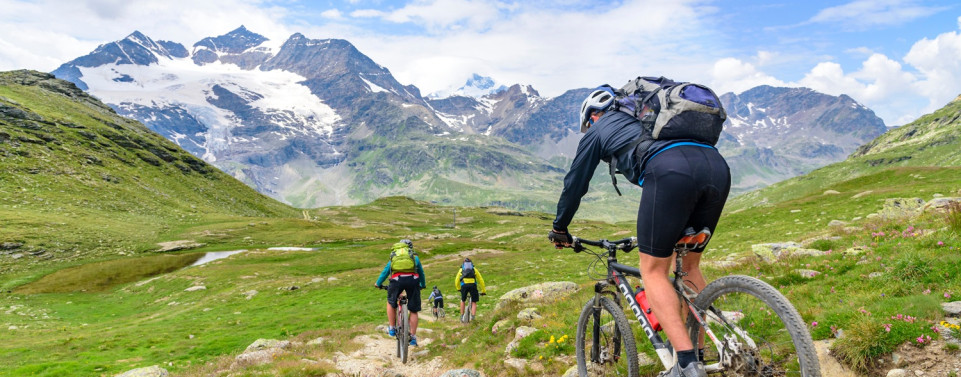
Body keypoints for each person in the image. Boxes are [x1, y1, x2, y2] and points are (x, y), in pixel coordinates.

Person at [548, 84, 730, 377]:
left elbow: (575, 184)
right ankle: (699, 354)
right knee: (689, 265)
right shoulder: (650, 118)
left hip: (671, 173)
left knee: (654, 271)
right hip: (716, 168)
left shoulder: (600, 127)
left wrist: (560, 228)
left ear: (593, 115)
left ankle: (686, 365)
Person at [374, 239, 426, 346]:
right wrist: (423, 284)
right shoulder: (414, 257)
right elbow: (421, 273)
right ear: (410, 248)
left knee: (390, 302)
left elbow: (386, 271)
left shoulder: (394, 256)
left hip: (397, 281)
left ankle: (392, 328)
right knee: (414, 310)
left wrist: (378, 283)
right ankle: (413, 337)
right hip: (413, 281)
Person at [453, 257, 486, 322]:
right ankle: (473, 318)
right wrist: (483, 290)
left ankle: (462, 316)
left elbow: (456, 280)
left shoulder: (461, 270)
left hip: (464, 286)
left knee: (463, 300)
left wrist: (458, 288)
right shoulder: (474, 269)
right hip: (473, 286)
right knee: (474, 302)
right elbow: (481, 280)